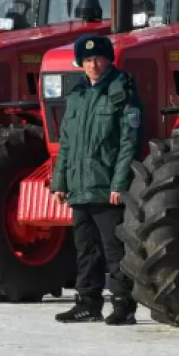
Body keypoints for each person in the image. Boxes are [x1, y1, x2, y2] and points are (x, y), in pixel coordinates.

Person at [50, 34, 143, 325]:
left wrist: (119, 183)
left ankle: (122, 305)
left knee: (114, 249)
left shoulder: (121, 91)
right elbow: (66, 143)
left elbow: (129, 142)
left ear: (108, 59)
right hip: (79, 187)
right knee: (86, 249)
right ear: (81, 63)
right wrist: (60, 182)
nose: (93, 65)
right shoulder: (77, 96)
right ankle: (88, 303)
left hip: (106, 187)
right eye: (88, 60)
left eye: (98, 59)